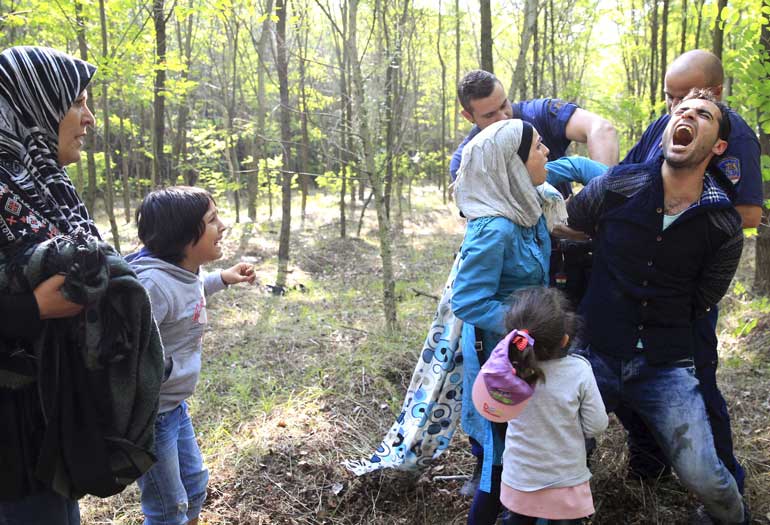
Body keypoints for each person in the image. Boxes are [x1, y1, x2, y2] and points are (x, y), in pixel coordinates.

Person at [566, 90, 747, 524]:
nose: (686, 115)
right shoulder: (617, 185)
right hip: (595, 355)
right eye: (680, 110)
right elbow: (572, 224)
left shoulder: (723, 225)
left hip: (667, 367)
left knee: (705, 476)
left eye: (702, 114)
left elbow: (705, 297)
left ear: (718, 146)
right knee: (559, 450)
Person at [618, 49, 759, 491]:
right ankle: (650, 462)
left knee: (695, 377)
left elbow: (749, 212)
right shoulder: (664, 124)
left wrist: (683, 212)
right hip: (635, 276)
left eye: (686, 97)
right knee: (629, 369)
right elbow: (626, 175)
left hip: (684, 281)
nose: (675, 108)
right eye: (668, 97)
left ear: (714, 93)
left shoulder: (732, 136)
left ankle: (725, 482)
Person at [0, 45, 102, 525]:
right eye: (77, 102)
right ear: (33, 106)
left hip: (45, 432)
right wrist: (30, 310)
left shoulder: (41, 190)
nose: (89, 119)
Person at [451, 118, 571, 525]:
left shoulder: (530, 206)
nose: (547, 152)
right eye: (538, 147)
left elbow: (577, 169)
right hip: (498, 352)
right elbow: (467, 300)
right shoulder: (495, 228)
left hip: (525, 346)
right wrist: (526, 324)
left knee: (523, 446)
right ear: (513, 163)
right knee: (499, 455)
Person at [126, 186, 256, 525]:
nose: (223, 226)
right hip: (151, 417)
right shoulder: (152, 285)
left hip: (174, 406)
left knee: (195, 487)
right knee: (168, 509)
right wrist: (167, 371)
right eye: (212, 220)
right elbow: (126, 351)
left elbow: (190, 292)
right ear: (184, 237)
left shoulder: (182, 270)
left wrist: (223, 279)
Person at [471, 287, 607, 525]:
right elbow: (596, 424)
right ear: (565, 339)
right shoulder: (579, 371)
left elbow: (494, 411)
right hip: (566, 482)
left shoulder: (507, 370)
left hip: (517, 481)